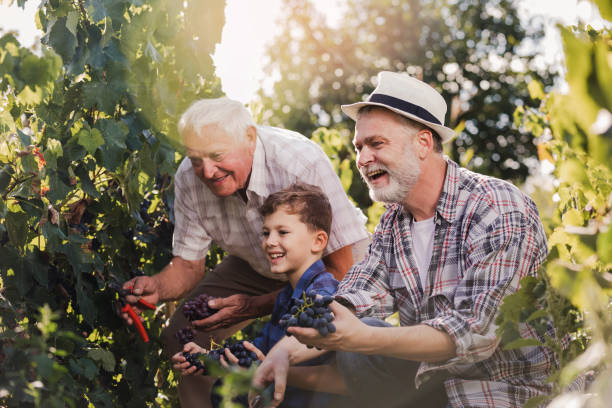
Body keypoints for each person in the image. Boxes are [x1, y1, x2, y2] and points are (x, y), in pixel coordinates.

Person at [253, 71, 555, 408]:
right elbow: (352, 300)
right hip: (432, 384)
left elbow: (476, 333)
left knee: (362, 343)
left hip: (502, 391)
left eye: (376, 143)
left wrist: (367, 338)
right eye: (359, 147)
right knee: (356, 345)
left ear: (423, 143)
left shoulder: (496, 207)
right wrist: (284, 352)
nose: (363, 159)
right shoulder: (394, 224)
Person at [121, 98, 369, 408]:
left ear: (249, 138)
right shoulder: (189, 178)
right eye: (196, 158)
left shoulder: (298, 161)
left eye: (217, 155)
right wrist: (157, 287)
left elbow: (340, 266)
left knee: (323, 347)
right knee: (183, 333)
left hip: (327, 263)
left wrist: (254, 306)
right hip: (257, 260)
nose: (207, 171)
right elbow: (188, 265)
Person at [171, 183, 350, 407]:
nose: (270, 241)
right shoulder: (288, 295)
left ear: (318, 241)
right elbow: (259, 352)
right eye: (266, 233)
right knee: (223, 391)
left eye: (282, 232)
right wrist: (209, 358)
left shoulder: (323, 295)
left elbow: (322, 368)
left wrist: (263, 368)